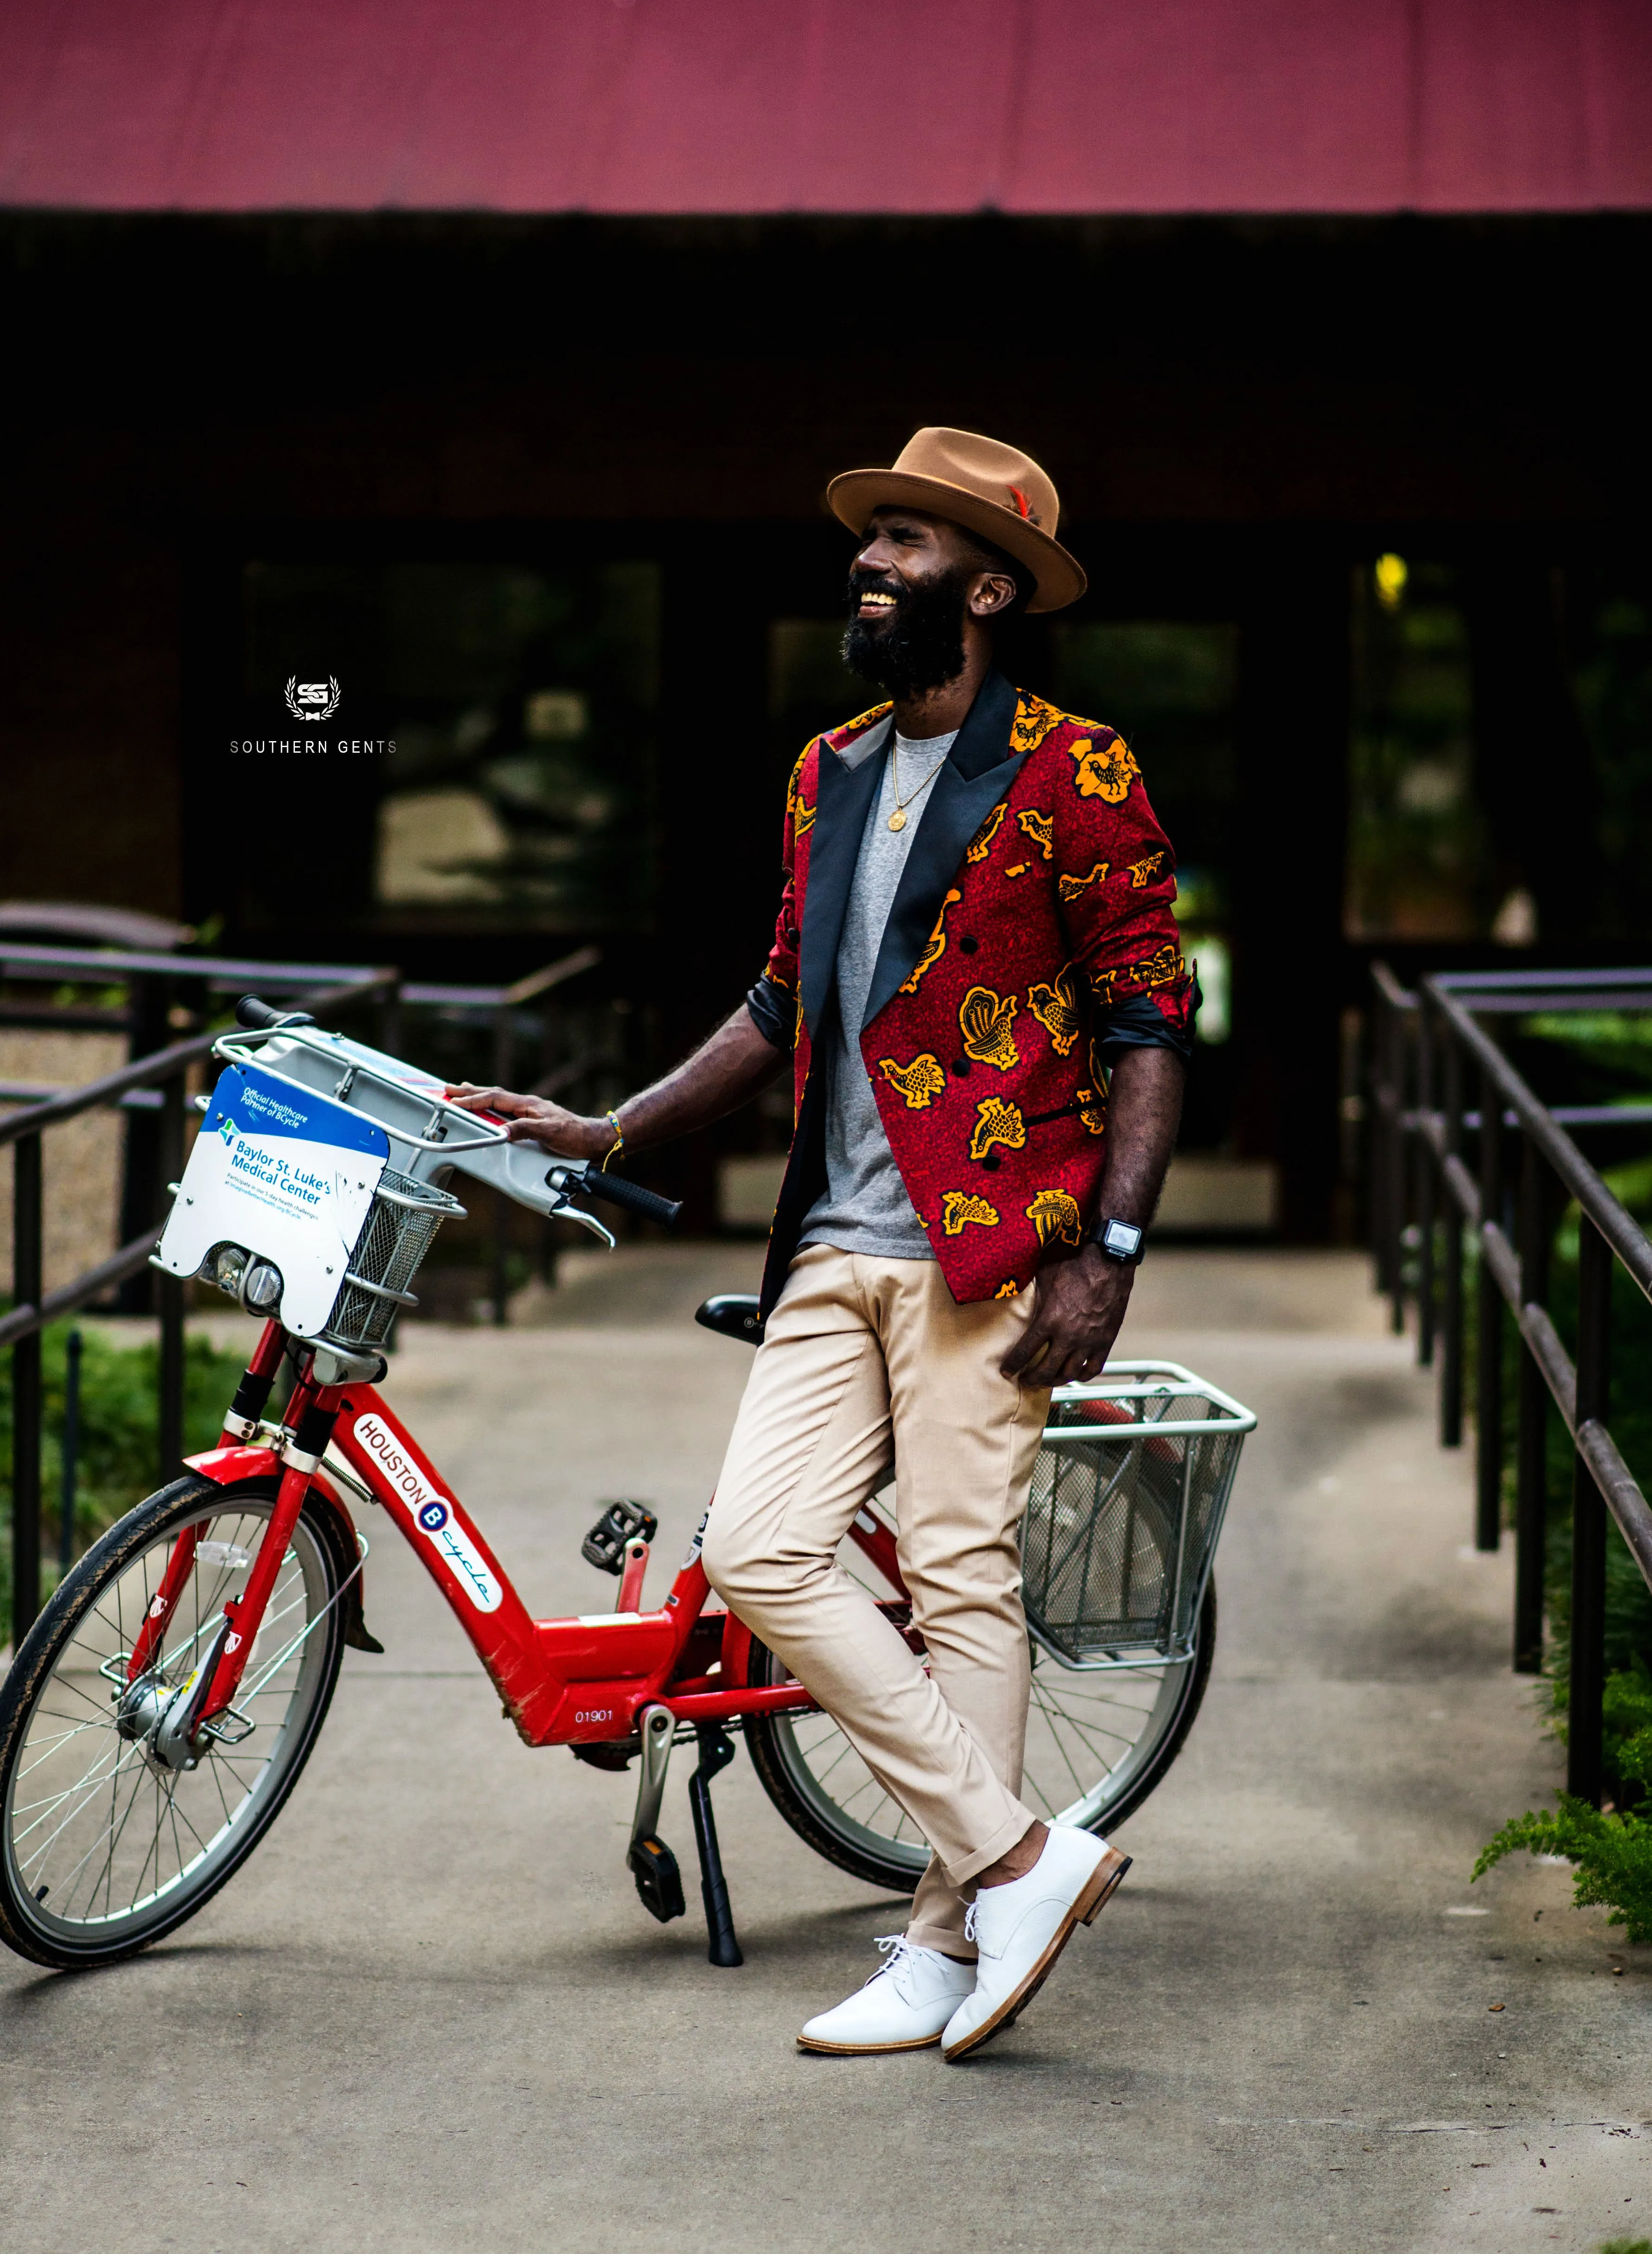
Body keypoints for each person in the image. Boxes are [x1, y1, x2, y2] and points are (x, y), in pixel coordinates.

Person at [459, 427, 1193, 2061]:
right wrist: (613, 1127)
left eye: (912, 543)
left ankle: (945, 1945)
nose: (871, 560)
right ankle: (1018, 1859)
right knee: (772, 1549)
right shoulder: (827, 769)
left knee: (958, 1577)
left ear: (988, 585)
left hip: (991, 1245)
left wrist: (1113, 1249)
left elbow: (1151, 1021)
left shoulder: (1078, 769)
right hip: (833, 1241)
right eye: (871, 539)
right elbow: (782, 999)